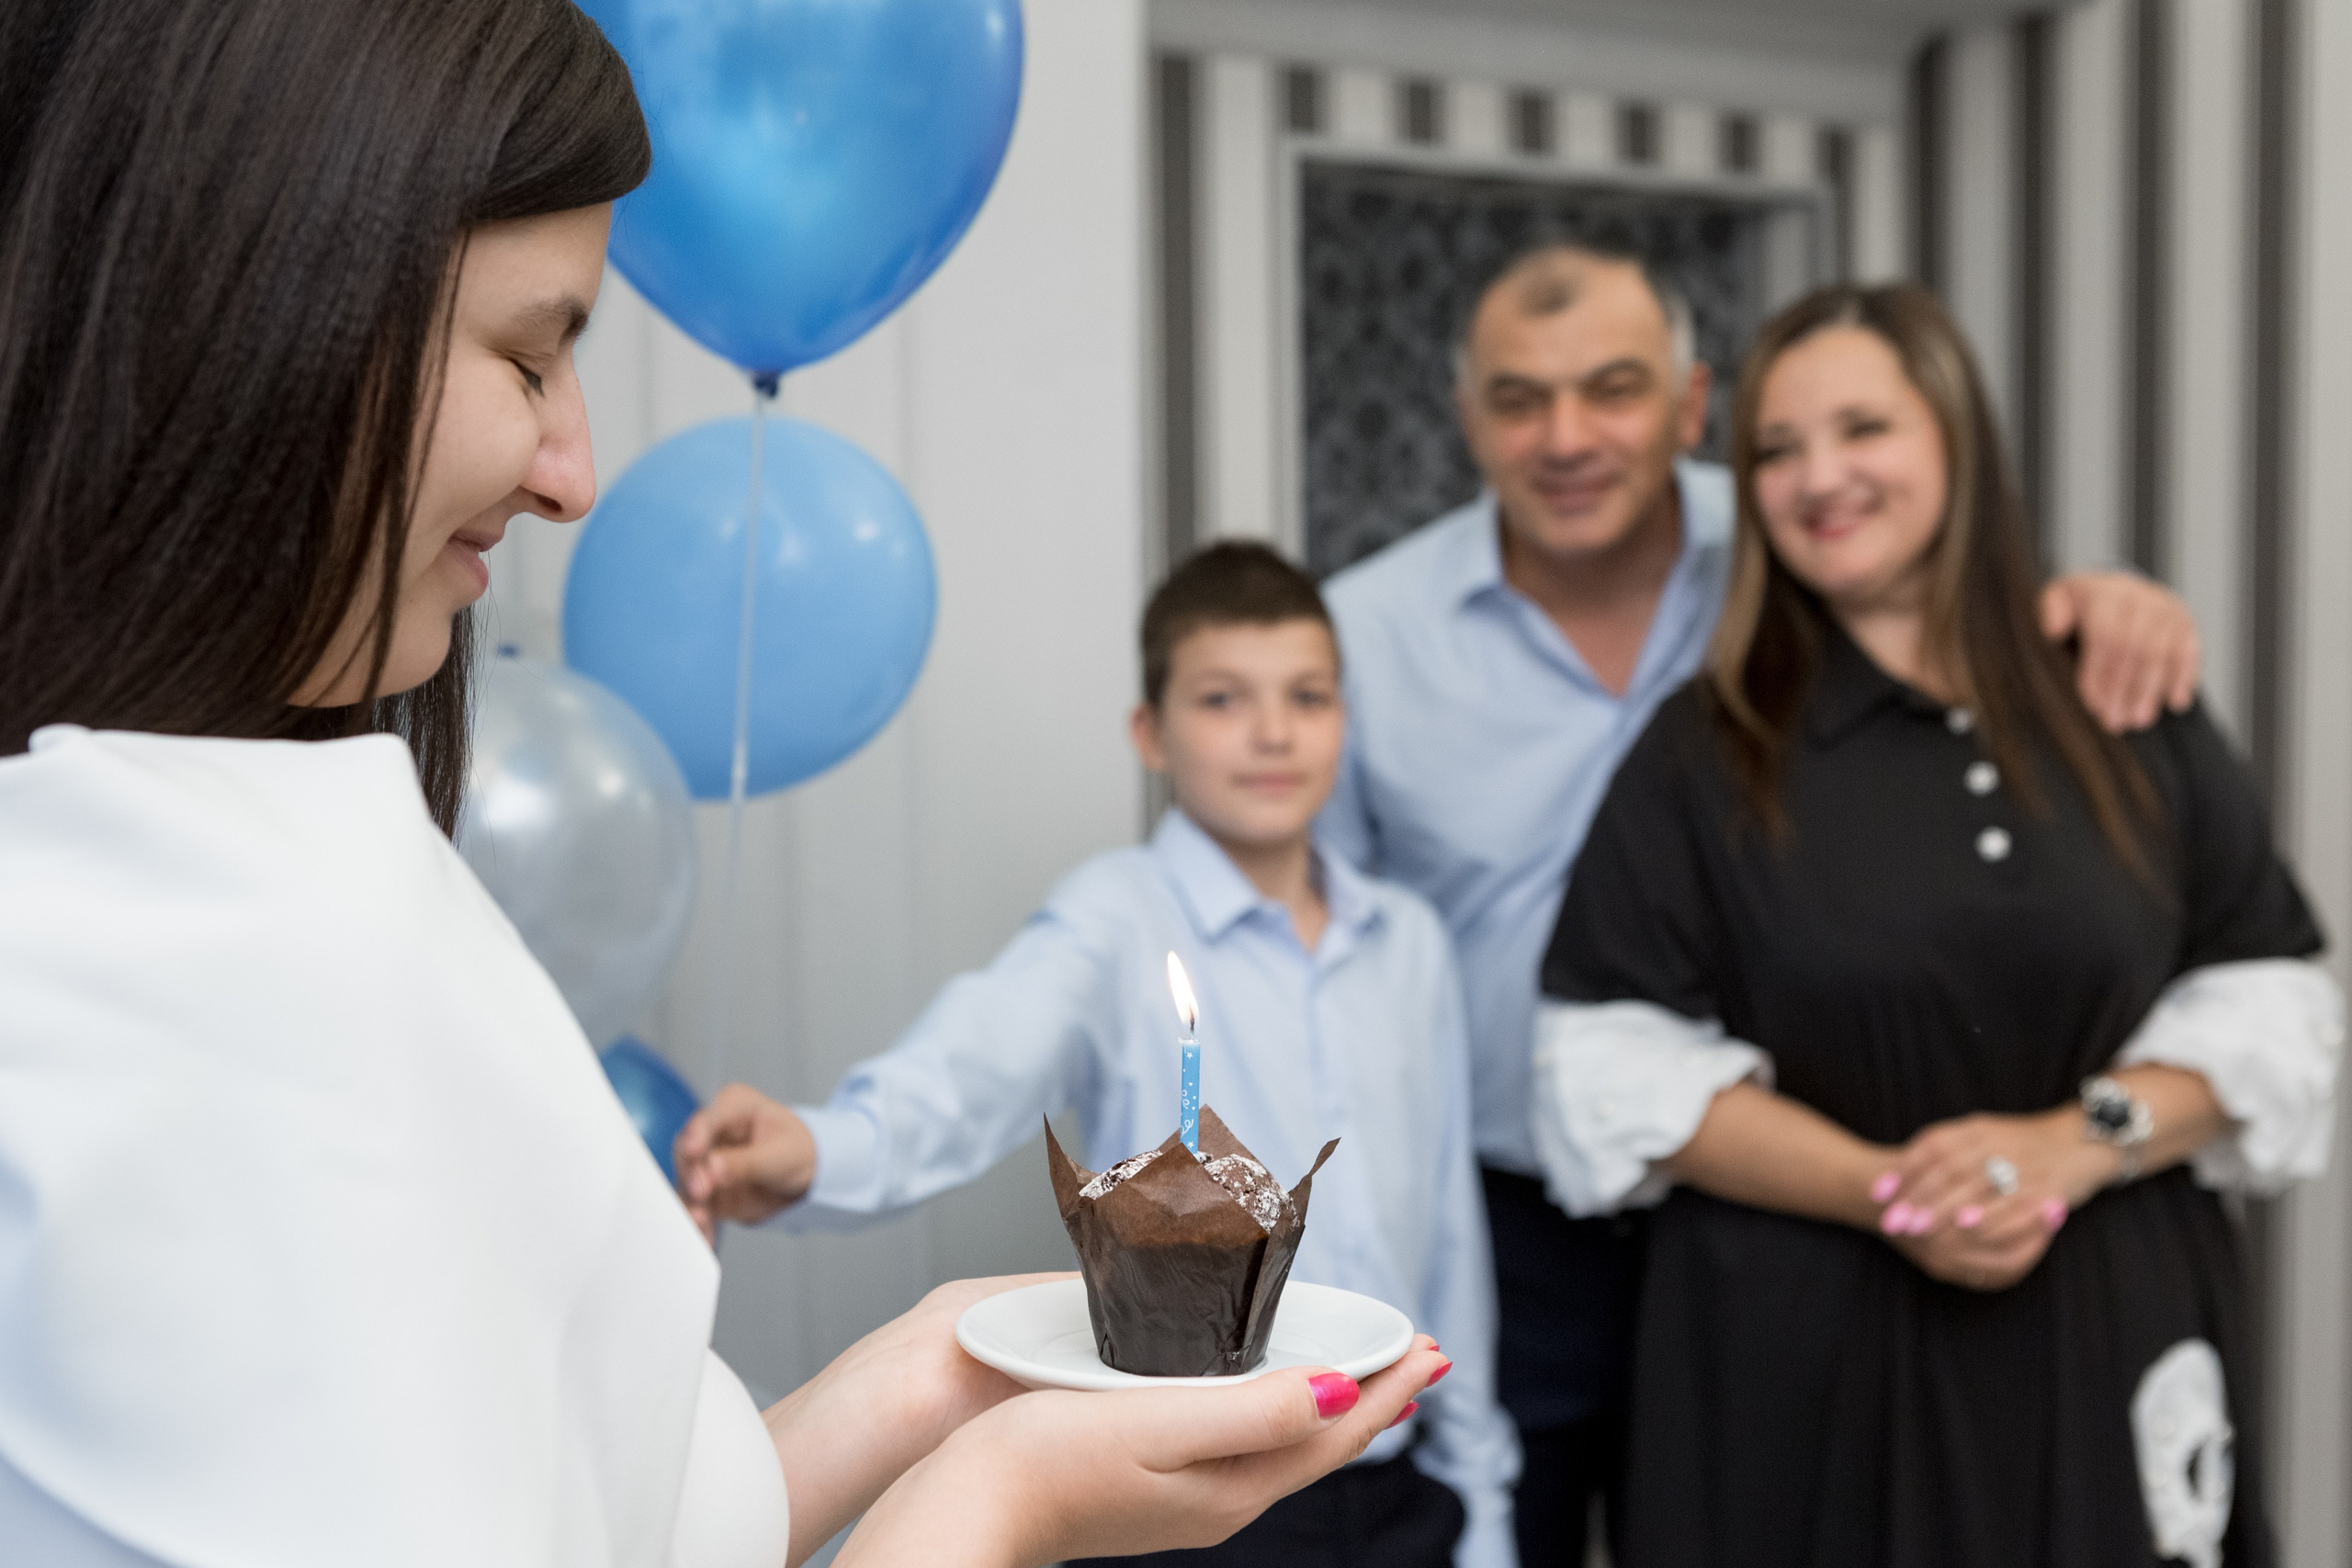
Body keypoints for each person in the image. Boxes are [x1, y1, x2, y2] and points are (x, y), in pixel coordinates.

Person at [0, 4, 1444, 1565]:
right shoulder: (198, 950)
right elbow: (961, 1077)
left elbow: (602, 1513)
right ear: (261, 318)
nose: (573, 469)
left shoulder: (270, 862)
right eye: (526, 353)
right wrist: (998, 1498)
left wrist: (928, 1377)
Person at [1315, 239, 2207, 1564]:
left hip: (1788, 1216)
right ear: (1467, 418)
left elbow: (1957, 598)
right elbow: (1305, 952)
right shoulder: (1363, 637)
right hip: (1502, 1219)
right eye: (1519, 398)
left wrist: (2097, 601)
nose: (1566, 435)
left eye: (1613, 388)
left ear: (1688, 407)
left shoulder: (1806, 537)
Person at [1529, 281, 2340, 1567]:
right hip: (1806, 1358)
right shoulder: (1706, 751)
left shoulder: (2124, 700)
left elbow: (2277, 1007)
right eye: (1778, 449)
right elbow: (1605, 1062)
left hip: (2105, 1329)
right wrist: (1900, 1194)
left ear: (1957, 439)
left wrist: (2075, 1144)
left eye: (1863, 428)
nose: (1819, 476)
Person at [676, 543, 1519, 1568]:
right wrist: (815, 1147)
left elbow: (1445, 1224)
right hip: (1194, 1491)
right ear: (1148, 732)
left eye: (1308, 696)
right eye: (1221, 699)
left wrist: (1480, 1486)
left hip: (1394, 1478)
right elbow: (968, 1072)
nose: (1271, 731)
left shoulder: (1409, 942)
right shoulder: (1115, 916)